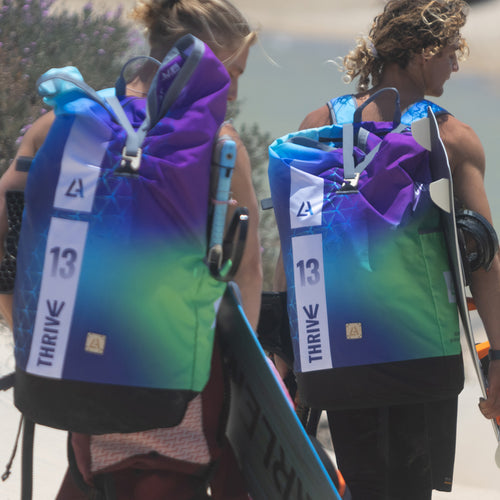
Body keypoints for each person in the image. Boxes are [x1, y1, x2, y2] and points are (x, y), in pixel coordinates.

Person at [0, 0, 262, 498]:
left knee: (93, 477)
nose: (233, 91)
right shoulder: (219, 145)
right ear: (206, 56)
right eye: (233, 72)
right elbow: (247, 273)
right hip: (170, 394)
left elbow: (5, 235)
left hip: (66, 372)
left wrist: (26, 328)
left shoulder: (63, 121)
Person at [272, 0, 500, 498]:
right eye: (450, 51)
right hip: (420, 352)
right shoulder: (451, 137)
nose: (455, 64)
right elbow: (485, 258)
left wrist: (282, 352)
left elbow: (294, 244)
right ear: (420, 52)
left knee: (363, 483)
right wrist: (499, 356)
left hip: (336, 353)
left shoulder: (320, 122)